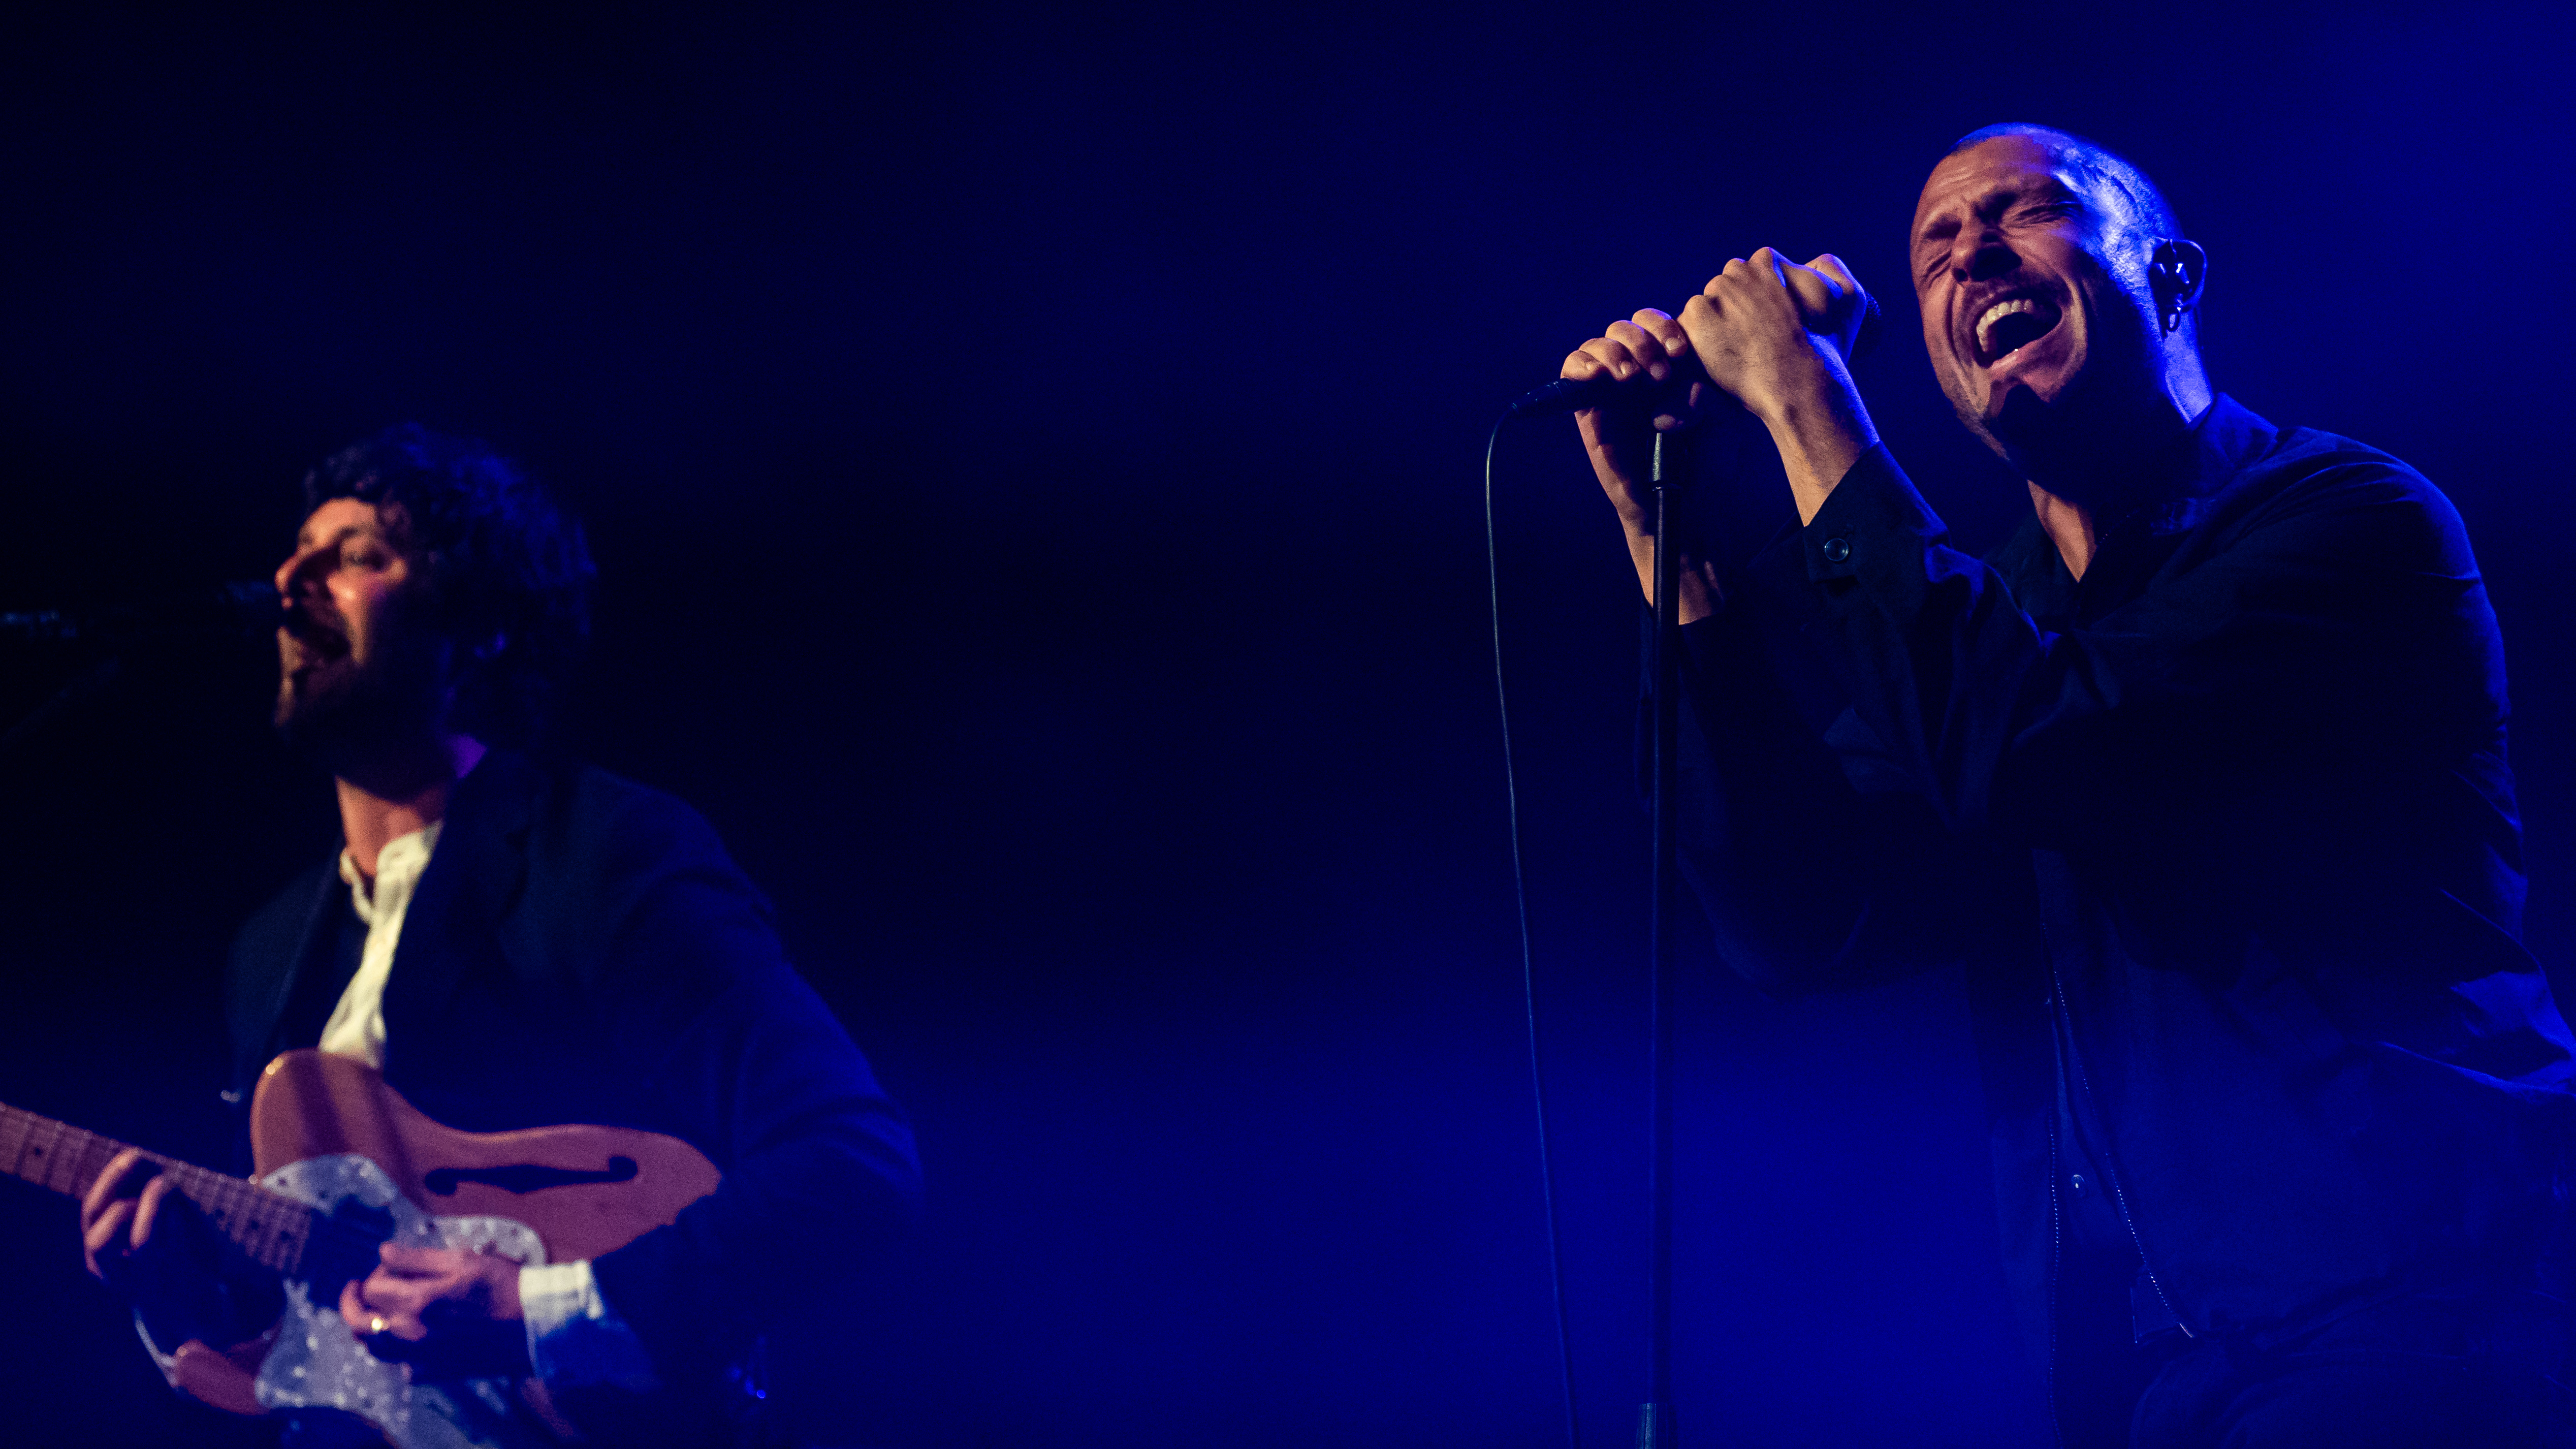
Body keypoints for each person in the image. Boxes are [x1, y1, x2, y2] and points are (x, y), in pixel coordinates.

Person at [1561, 123, 2576, 1446]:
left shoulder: (2347, 526)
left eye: (2028, 211)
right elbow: (1804, 916)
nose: (1973, 247)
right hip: (2153, 1386)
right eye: (1933, 246)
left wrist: (1807, 398)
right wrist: (1671, 551)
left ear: (2170, 274)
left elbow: (2037, 747)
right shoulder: (2010, 620)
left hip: (2413, 1326)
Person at [75, 424, 923, 1446]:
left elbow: (851, 1161)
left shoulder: (603, 855)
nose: (291, 579)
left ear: (478, 624)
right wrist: (189, 1296)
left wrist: (537, 1310)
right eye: (296, 551)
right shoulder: (269, 950)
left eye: (355, 555)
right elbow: (313, 1339)